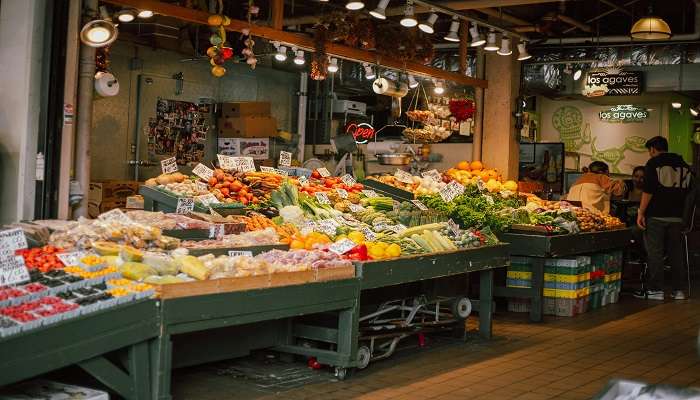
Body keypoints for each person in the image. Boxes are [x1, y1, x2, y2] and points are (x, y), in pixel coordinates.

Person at [635, 136, 692, 301]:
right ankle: (678, 290)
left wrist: (641, 212)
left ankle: (656, 290)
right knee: (676, 253)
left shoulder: (653, 164)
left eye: (649, 151)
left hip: (657, 216)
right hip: (677, 216)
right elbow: (690, 192)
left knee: (655, 253)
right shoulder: (684, 166)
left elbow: (649, 190)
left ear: (653, 149)